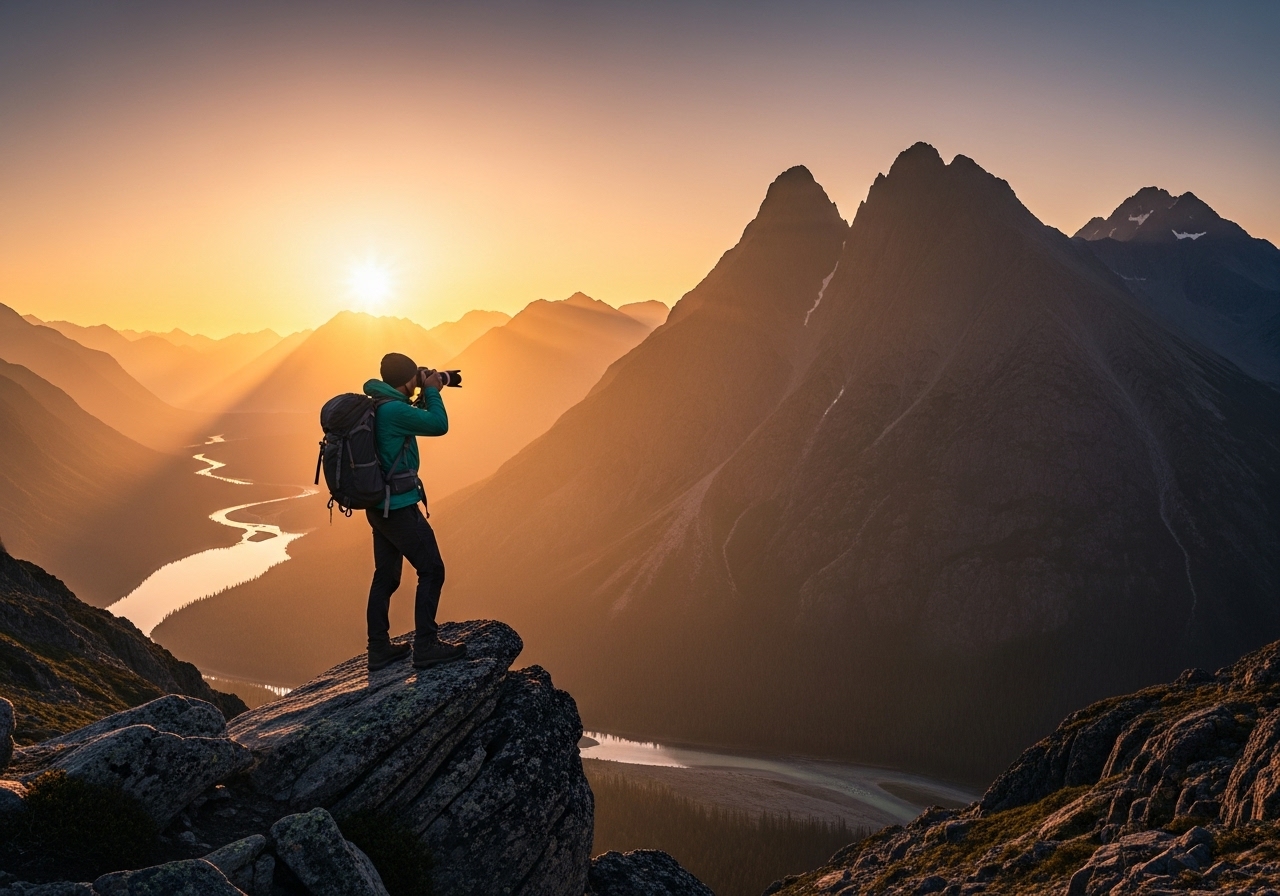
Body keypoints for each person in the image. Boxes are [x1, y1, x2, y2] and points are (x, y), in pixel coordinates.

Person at [362, 351, 466, 672]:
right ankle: (426, 645)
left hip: (379, 507)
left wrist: (426, 389)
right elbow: (439, 425)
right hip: (400, 508)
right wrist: (432, 390)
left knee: (387, 577)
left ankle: (378, 648)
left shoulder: (380, 403)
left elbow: (408, 414)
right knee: (432, 569)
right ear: (407, 381)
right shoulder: (393, 410)